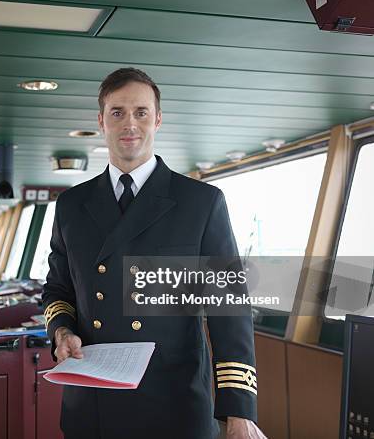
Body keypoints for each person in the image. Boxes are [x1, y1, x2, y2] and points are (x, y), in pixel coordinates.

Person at [42, 68, 266, 439]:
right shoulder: (71, 205)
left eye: (141, 112)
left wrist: (239, 410)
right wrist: (61, 330)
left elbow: (229, 309)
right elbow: (58, 291)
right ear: (101, 122)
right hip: (92, 402)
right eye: (117, 113)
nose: (130, 124)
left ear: (158, 119)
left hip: (174, 403)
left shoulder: (201, 203)